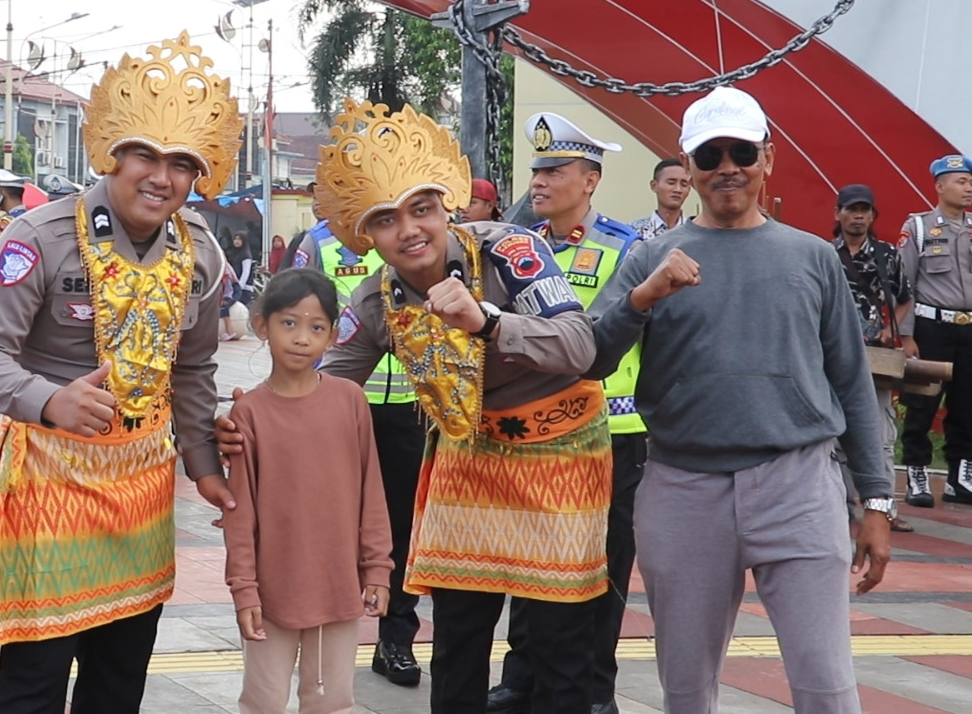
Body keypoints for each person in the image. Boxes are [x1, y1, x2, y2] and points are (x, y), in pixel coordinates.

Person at [223, 99, 607, 714]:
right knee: (456, 640)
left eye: (422, 209)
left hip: (555, 453)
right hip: (467, 458)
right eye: (386, 220)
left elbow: (581, 345)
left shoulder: (511, 249)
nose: (409, 230)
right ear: (365, 235)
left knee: (560, 649)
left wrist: (487, 322)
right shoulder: (377, 299)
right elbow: (318, 378)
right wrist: (246, 421)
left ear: (446, 207)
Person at [0, 33, 239, 710]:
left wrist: (205, 465)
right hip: (50, 480)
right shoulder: (40, 236)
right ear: (112, 155)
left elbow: (196, 367)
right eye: (145, 156)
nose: (161, 176)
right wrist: (49, 401)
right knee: (36, 675)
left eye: (181, 164)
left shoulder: (201, 255)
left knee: (120, 675)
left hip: (144, 485)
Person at [587, 86, 892, 714]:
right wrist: (643, 297)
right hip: (681, 485)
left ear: (767, 159)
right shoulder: (649, 257)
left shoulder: (811, 256)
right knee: (686, 687)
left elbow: (851, 381)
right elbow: (591, 355)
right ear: (689, 167)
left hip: (799, 484)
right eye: (710, 153)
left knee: (827, 684)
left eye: (742, 151)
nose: (728, 165)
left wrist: (877, 500)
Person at [490, 113, 643, 714]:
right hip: (531, 430)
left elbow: (605, 337)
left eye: (556, 170)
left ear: (591, 179)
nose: (541, 181)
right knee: (529, 563)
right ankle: (520, 676)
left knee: (600, 569)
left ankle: (594, 687)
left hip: (611, 433)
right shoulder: (516, 249)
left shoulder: (626, 247)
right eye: (537, 170)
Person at [224, 267, 393, 714]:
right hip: (272, 592)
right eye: (289, 323)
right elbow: (240, 514)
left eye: (316, 327)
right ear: (262, 325)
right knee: (263, 702)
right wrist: (245, 590)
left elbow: (370, 490)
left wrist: (377, 568)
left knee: (332, 702)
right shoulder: (248, 413)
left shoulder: (349, 400)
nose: (302, 338)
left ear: (333, 335)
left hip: (339, 588)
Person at [310, 194, 423, 687]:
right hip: (343, 410)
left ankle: (395, 639)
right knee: (331, 523)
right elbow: (299, 312)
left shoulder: (432, 248)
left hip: (411, 412)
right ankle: (315, 631)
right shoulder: (318, 244)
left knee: (401, 529)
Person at [833, 184, 914, 532]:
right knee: (834, 432)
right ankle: (840, 503)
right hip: (833, 353)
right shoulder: (824, 254)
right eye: (852, 209)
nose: (858, 216)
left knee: (880, 433)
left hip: (875, 356)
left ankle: (884, 507)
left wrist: (889, 328)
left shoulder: (886, 254)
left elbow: (906, 296)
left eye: (865, 210)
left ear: (873, 215)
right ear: (838, 214)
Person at [897, 154, 972, 506]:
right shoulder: (920, 227)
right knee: (922, 403)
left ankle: (961, 476)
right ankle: (916, 472)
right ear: (940, 185)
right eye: (960, 181)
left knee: (966, 405)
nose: (968, 188)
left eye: (969, 181)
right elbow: (904, 286)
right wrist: (907, 335)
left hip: (969, 329)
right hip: (931, 327)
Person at [629, 158, 691, 240]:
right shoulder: (634, 231)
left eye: (684, 184)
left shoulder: (697, 231)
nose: (678, 189)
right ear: (654, 186)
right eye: (671, 183)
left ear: (689, 190)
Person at [222, 232, 257, 338]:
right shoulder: (234, 254)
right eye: (235, 239)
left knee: (233, 308)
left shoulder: (246, 256)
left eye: (239, 239)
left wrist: (239, 287)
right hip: (235, 287)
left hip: (243, 288)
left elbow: (245, 272)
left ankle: (232, 331)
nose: (236, 241)